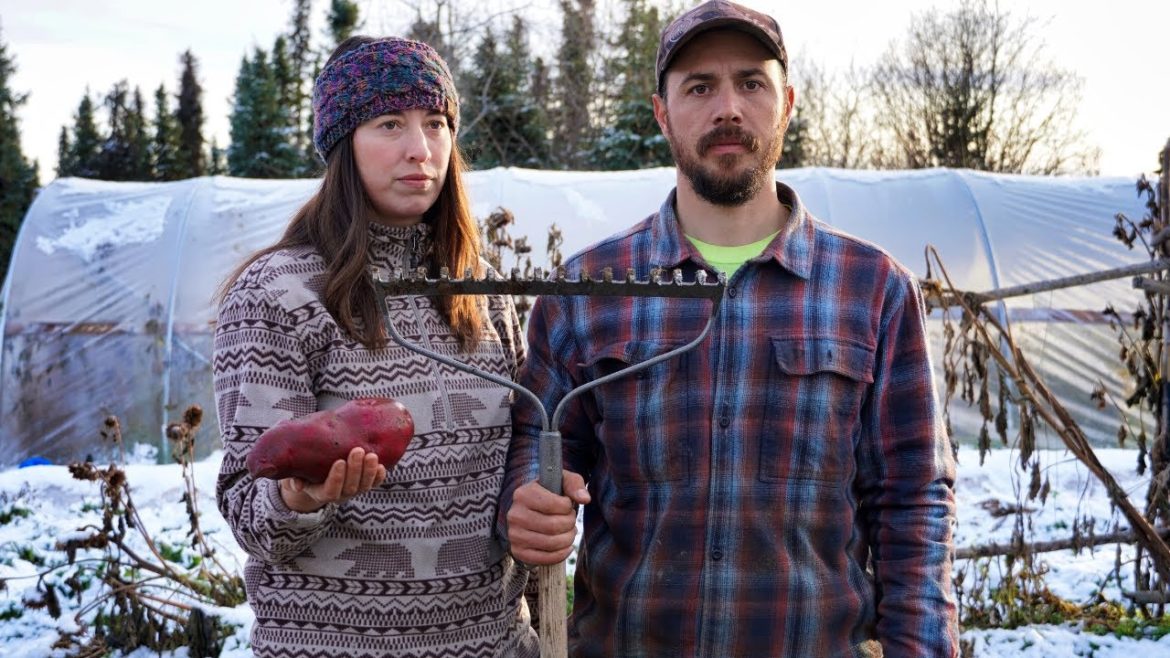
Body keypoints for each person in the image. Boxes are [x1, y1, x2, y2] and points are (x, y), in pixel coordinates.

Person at [499, 2, 959, 656]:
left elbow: (914, 501)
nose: (728, 109)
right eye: (699, 87)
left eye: (751, 83)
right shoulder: (588, 290)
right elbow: (538, 441)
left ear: (786, 104)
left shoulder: (873, 290)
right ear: (662, 114)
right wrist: (529, 499)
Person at [214, 36, 538, 658]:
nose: (421, 149)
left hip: (490, 643)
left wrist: (535, 499)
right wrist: (300, 496)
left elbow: (521, 448)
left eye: (436, 123)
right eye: (390, 123)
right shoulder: (277, 294)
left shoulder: (482, 291)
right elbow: (248, 511)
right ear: (344, 143)